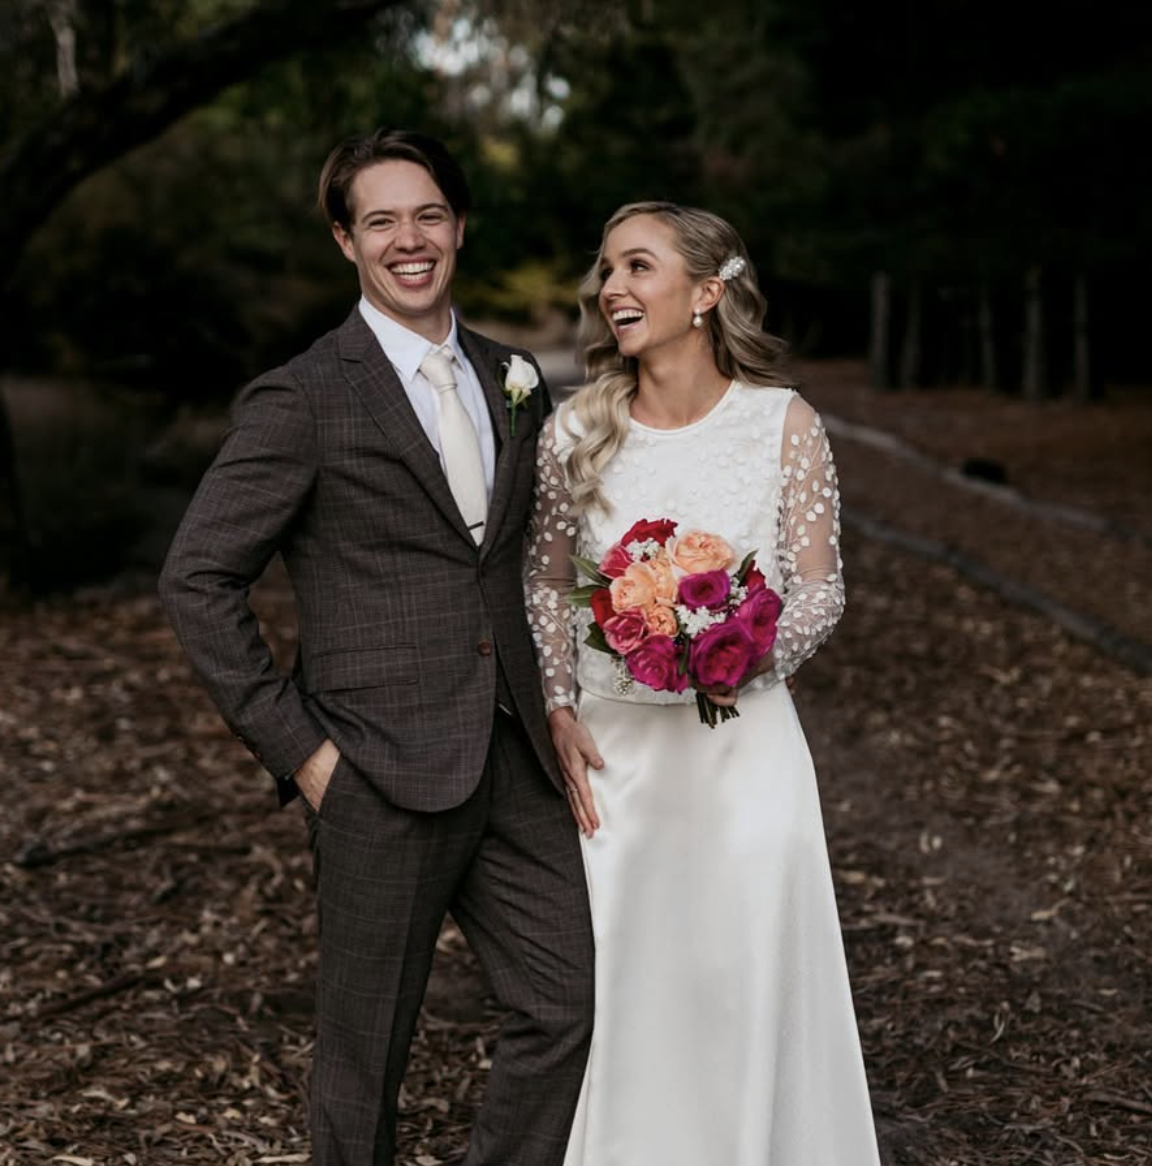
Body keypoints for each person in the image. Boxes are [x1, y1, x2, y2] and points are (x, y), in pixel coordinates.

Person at [159, 128, 594, 1166]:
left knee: (567, 1002)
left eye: (429, 214)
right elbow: (197, 577)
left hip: (516, 759)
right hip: (375, 772)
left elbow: (531, 560)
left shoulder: (516, 375)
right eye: (382, 220)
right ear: (345, 241)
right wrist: (304, 754)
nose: (411, 238)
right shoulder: (303, 394)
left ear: (459, 226)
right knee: (364, 1065)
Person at [525, 201, 880, 1165]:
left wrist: (732, 645)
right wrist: (558, 706)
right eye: (606, 270)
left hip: (745, 749)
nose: (612, 289)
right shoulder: (576, 431)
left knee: (750, 971)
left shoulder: (783, 424)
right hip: (620, 758)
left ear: (707, 292)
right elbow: (547, 582)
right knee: (638, 987)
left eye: (638, 267)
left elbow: (820, 588)